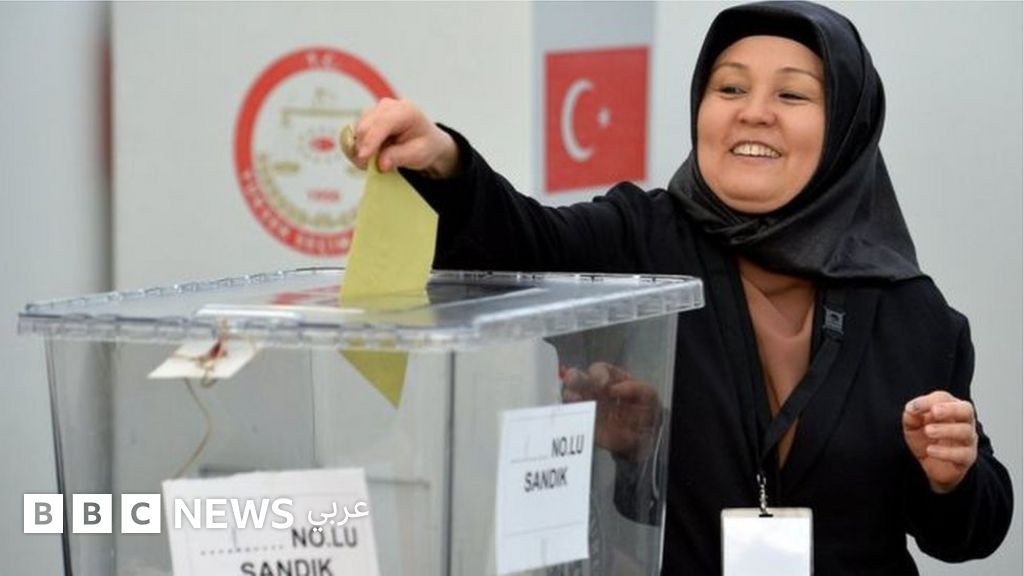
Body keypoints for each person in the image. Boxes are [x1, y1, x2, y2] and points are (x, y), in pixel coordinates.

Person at [343, 1, 1014, 573]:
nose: (754, 113)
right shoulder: (640, 238)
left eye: (792, 95)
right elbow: (521, 240)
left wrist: (951, 477)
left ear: (845, 129)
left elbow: (970, 534)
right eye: (730, 88)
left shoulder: (912, 312)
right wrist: (443, 161)